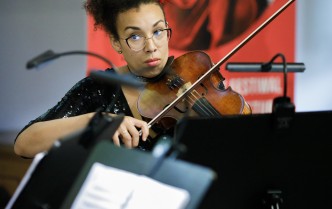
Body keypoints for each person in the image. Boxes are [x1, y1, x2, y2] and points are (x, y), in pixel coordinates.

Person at [14, 0, 172, 158]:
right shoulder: (99, 87)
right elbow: (24, 144)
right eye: (135, 36)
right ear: (116, 42)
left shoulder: (194, 79)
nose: (151, 47)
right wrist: (97, 120)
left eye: (158, 31)